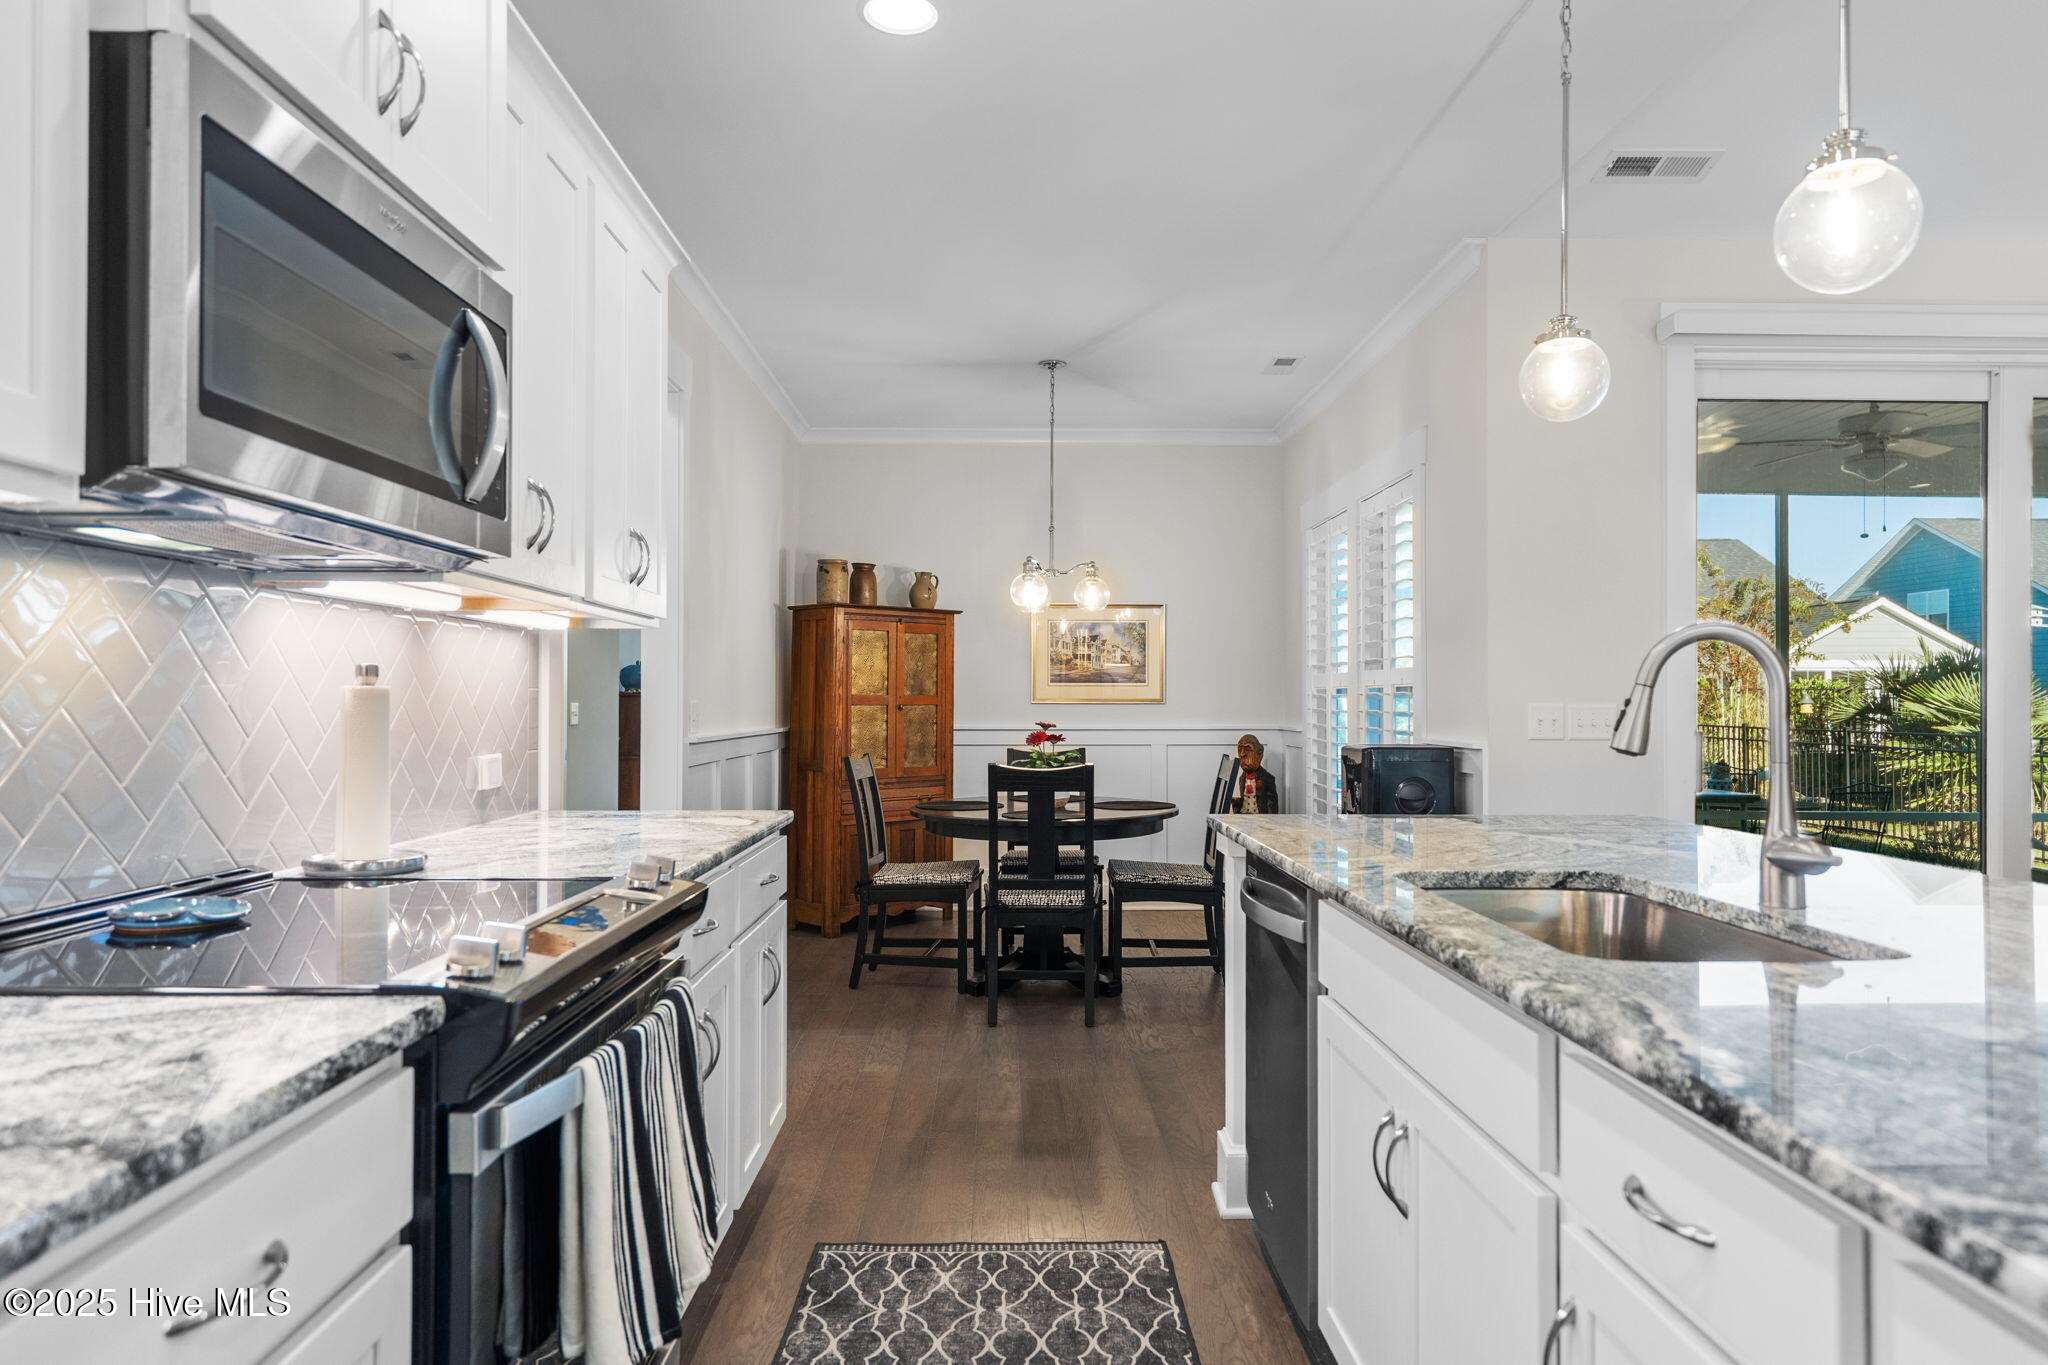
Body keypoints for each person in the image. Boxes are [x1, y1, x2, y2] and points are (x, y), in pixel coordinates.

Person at [1232, 733, 1279, 814]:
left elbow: (1272, 805)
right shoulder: (1242, 779)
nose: (1242, 754)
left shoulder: (1267, 778)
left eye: (1248, 748)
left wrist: (1270, 822)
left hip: (1260, 820)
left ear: (1259, 753)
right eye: (1240, 749)